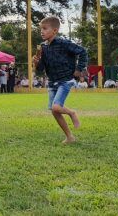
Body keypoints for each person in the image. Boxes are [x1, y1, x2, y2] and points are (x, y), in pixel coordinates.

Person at [33, 16, 88, 144]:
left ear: (55, 31)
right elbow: (41, 68)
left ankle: (72, 113)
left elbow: (83, 52)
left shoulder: (64, 43)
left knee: (57, 108)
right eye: (41, 29)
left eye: (45, 29)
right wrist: (37, 63)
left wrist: (79, 69)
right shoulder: (42, 48)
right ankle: (70, 137)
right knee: (54, 111)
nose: (42, 31)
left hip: (65, 80)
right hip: (52, 82)